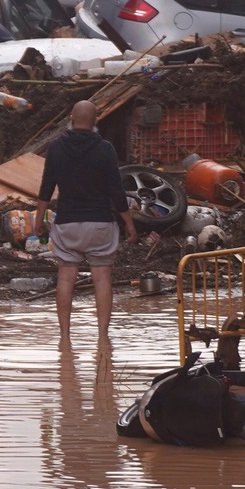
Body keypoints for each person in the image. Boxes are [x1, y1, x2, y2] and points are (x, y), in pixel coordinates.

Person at [38, 99, 139, 345]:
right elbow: (117, 190)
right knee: (102, 278)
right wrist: (129, 223)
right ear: (95, 121)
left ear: (71, 119)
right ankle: (103, 337)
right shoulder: (105, 149)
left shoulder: (56, 148)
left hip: (67, 224)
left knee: (65, 278)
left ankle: (64, 338)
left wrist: (37, 219)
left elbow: (46, 187)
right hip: (100, 224)